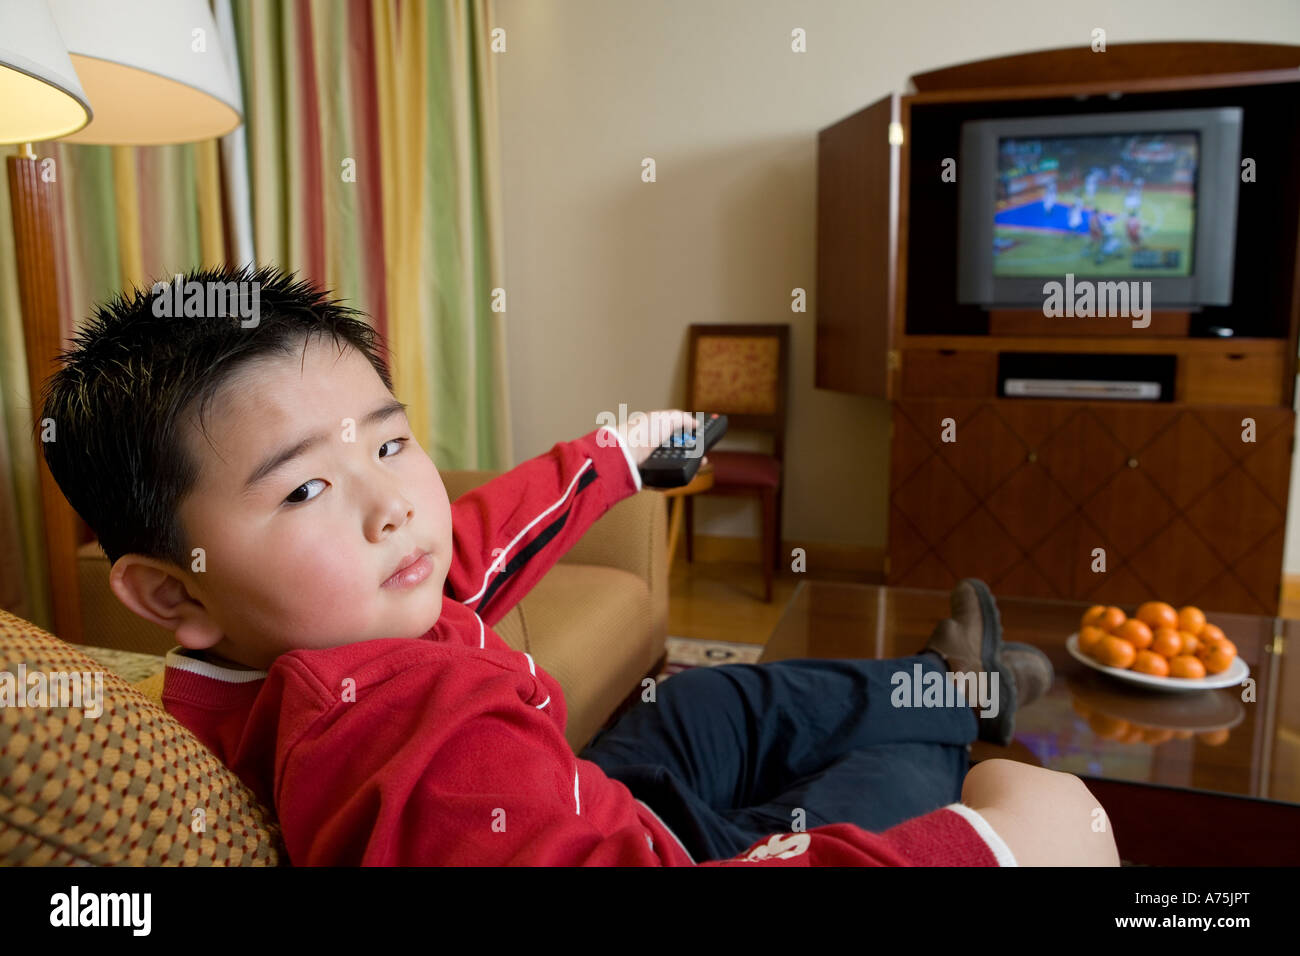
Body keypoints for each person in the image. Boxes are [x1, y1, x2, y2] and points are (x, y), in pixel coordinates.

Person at [36, 263, 1119, 867]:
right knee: (917, 788)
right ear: (170, 588)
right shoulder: (403, 738)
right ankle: (943, 723)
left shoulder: (333, 618)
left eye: (388, 439)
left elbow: (475, 541)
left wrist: (612, 453)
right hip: (658, 846)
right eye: (304, 488)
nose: (391, 505)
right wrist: (993, 847)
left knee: (723, 697)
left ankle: (945, 682)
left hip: (593, 781)